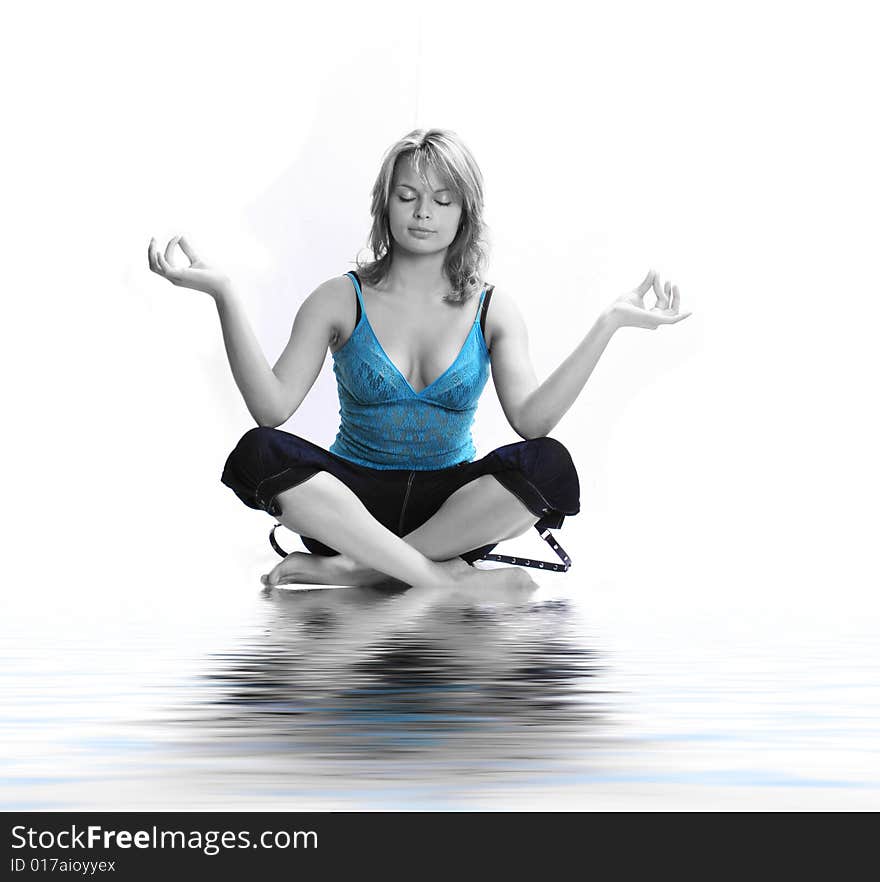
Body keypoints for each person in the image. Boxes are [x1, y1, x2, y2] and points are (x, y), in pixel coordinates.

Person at [147, 128, 690, 592]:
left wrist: (609, 323)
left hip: (451, 510)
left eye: (442, 199)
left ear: (465, 212)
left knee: (549, 463)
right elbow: (272, 409)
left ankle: (356, 574)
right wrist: (224, 294)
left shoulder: (492, 307)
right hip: (347, 507)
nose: (423, 212)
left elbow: (531, 420)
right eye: (407, 196)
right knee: (258, 452)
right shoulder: (340, 297)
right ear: (386, 204)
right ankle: (437, 578)